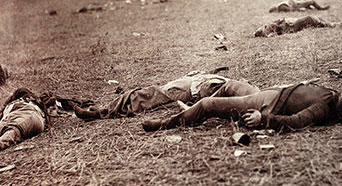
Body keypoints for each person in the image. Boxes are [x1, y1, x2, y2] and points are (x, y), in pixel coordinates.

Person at [142, 83, 342, 132]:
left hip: (268, 103)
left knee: (208, 104)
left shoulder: (324, 108)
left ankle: (167, 124)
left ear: (341, 114)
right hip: (272, 91)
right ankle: (192, 109)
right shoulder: (339, 98)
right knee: (231, 84)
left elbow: (296, 121)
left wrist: (264, 120)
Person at [74, 72, 259, 120]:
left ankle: (101, 112)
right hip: (201, 81)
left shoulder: (249, 98)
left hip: (196, 87)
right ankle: (103, 110)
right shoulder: (253, 93)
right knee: (148, 93)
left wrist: (195, 106)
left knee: (146, 95)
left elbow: (218, 98)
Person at [254, 15, 336, 37]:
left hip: (289, 23)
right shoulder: (267, 31)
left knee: (314, 18)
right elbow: (276, 31)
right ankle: (326, 24)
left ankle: (330, 23)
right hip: (290, 28)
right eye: (259, 30)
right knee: (308, 18)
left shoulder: (266, 27)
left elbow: (278, 22)